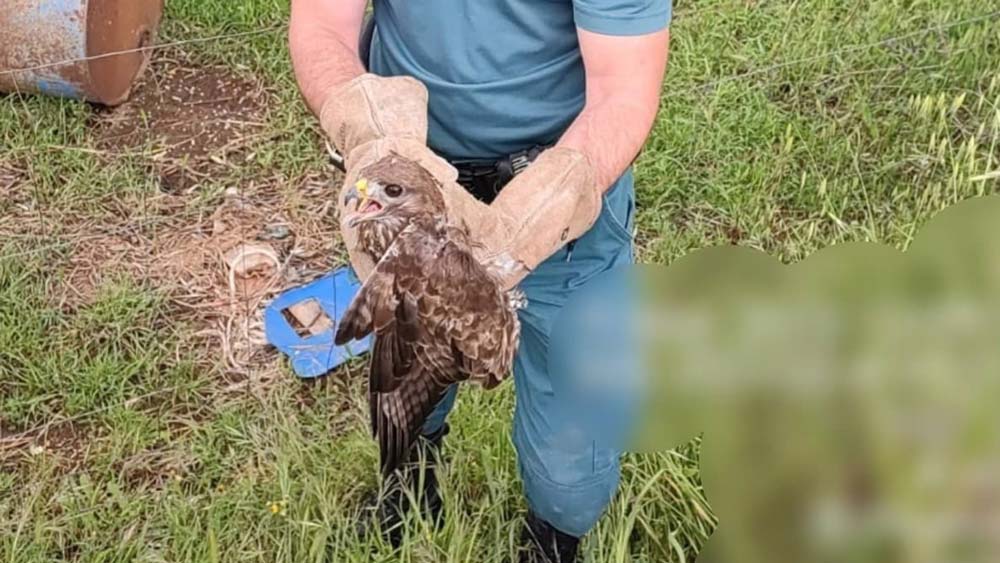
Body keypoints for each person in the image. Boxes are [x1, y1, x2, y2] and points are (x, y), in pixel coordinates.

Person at [289, 0, 670, 560]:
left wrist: (537, 217)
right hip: (413, 178)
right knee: (407, 359)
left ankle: (554, 540)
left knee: (574, 399)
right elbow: (323, 24)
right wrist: (371, 139)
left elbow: (622, 92)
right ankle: (410, 491)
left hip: (563, 192)